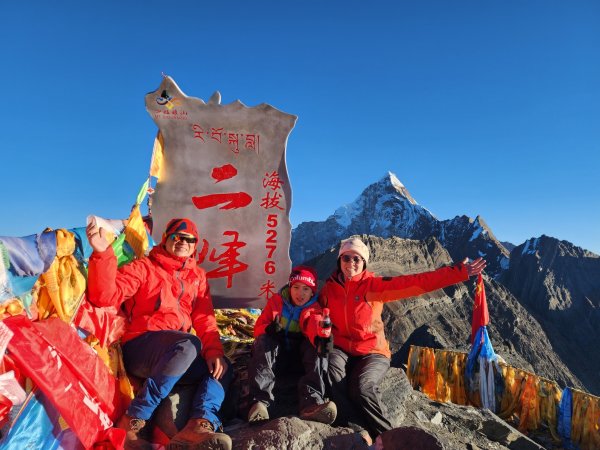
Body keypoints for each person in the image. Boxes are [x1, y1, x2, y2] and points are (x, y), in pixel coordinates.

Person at [320, 236, 486, 445]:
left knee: (361, 387)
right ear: (339, 261)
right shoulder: (329, 288)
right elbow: (315, 309)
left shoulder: (373, 286)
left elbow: (417, 283)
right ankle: (354, 427)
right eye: (346, 258)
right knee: (330, 368)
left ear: (364, 263)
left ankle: (391, 438)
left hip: (372, 351)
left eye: (357, 258)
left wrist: (459, 273)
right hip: (343, 348)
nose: (351, 263)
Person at [86, 217, 232, 450]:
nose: (183, 242)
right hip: (141, 347)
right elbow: (104, 297)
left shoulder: (198, 277)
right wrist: (102, 254)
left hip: (178, 352)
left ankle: (198, 425)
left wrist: (214, 351)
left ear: (195, 245)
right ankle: (132, 422)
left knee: (220, 367)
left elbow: (204, 318)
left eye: (189, 239)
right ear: (165, 240)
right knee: (188, 345)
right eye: (177, 237)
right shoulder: (144, 267)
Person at [247, 265, 337, 425]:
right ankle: (259, 403)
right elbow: (258, 328)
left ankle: (312, 402)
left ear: (312, 292)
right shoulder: (276, 302)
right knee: (263, 340)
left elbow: (313, 322)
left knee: (316, 347)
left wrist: (320, 336)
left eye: (305, 289)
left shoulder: (313, 308)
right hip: (276, 359)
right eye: (296, 287)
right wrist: (267, 329)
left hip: (298, 362)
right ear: (290, 287)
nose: (300, 293)